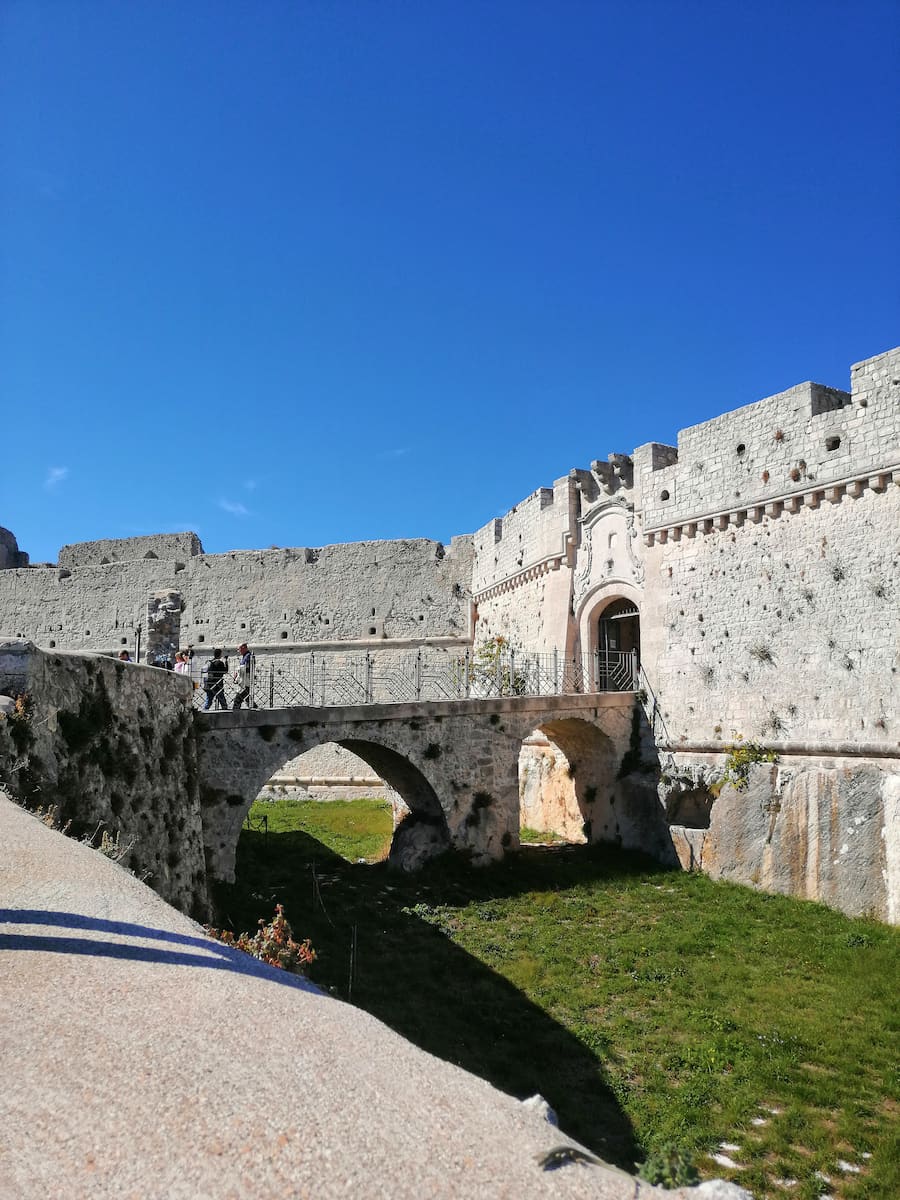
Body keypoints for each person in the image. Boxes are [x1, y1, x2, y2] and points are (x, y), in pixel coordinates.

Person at [232, 643, 253, 709]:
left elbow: (245, 668)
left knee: (237, 700)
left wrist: (237, 672)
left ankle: (235, 714)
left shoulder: (248, 656)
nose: (239, 651)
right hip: (244, 681)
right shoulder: (246, 656)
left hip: (245, 682)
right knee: (248, 699)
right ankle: (256, 710)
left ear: (244, 648)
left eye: (240, 649)